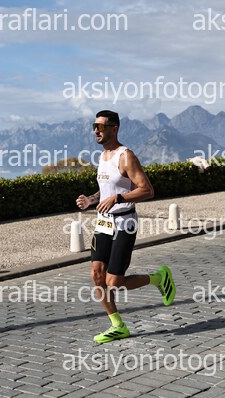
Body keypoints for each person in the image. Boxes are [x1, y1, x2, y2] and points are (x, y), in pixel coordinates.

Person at [76, 110, 176, 344]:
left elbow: (147, 190)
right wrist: (91, 199)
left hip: (124, 223)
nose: (96, 131)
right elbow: (108, 189)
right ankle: (117, 325)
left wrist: (119, 199)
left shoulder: (126, 156)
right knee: (97, 275)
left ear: (114, 128)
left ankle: (159, 278)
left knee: (114, 282)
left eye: (101, 127)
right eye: (94, 126)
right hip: (103, 223)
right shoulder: (103, 157)